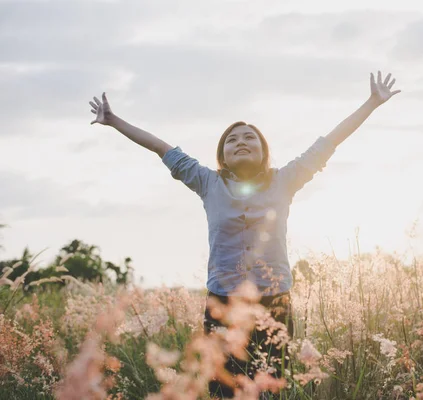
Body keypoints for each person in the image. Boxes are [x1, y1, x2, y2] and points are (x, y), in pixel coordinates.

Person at [88, 70, 401, 398]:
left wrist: (371, 104)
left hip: (274, 302)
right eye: (232, 140)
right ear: (222, 156)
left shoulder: (285, 180)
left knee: (268, 391)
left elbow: (329, 142)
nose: (241, 142)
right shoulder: (208, 182)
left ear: (264, 151)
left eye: (249, 138)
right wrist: (113, 120)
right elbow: (159, 147)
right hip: (222, 302)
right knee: (224, 391)